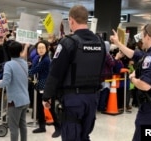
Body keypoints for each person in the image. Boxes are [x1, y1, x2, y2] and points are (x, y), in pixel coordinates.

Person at [42, 5, 106, 141]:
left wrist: (47, 96)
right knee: (84, 136)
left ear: (71, 20)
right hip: (92, 98)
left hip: (73, 99)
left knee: (71, 136)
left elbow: (55, 72)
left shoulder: (68, 42)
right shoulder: (100, 42)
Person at [110, 23, 151, 141]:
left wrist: (132, 78)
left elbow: (145, 85)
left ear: (148, 36)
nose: (141, 39)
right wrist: (118, 43)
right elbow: (136, 55)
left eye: (142, 35)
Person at [0, 41, 30, 141]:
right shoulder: (24, 63)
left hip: (15, 101)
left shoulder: (9, 64)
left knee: (13, 127)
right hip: (25, 98)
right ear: (20, 51)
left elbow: (6, 81)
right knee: (23, 125)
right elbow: (17, 78)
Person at [28, 40, 61, 138]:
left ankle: (58, 128)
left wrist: (24, 70)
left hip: (47, 87)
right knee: (39, 106)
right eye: (39, 48)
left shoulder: (46, 60)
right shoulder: (38, 58)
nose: (40, 49)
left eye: (42, 48)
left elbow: (34, 70)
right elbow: (33, 67)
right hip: (39, 85)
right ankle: (42, 126)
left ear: (46, 49)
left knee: (50, 108)